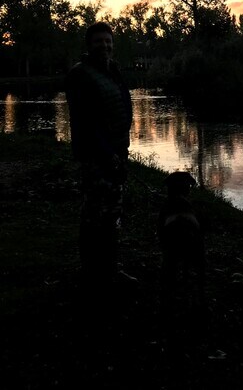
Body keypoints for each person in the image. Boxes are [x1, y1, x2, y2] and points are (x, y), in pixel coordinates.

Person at [64, 21, 133, 289]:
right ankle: (92, 272)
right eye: (98, 42)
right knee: (95, 215)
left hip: (117, 152)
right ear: (88, 46)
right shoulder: (80, 75)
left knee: (113, 213)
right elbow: (85, 123)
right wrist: (107, 155)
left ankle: (110, 269)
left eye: (108, 41)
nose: (104, 45)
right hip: (96, 158)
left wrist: (120, 151)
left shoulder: (112, 71)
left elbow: (121, 107)